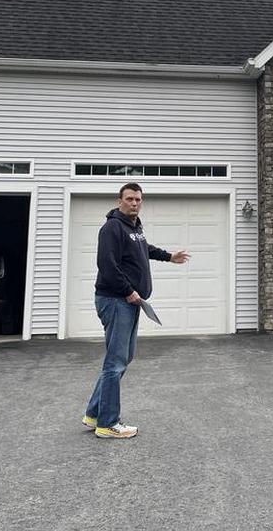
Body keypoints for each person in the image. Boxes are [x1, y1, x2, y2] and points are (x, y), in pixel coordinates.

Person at [83, 182, 190, 439]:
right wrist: (129, 291)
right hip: (117, 300)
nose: (134, 203)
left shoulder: (135, 227)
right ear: (119, 200)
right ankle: (108, 424)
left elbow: (144, 250)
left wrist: (168, 256)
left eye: (138, 199)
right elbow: (107, 265)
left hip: (130, 302)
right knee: (116, 362)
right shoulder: (112, 228)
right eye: (130, 199)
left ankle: (94, 413)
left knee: (123, 358)